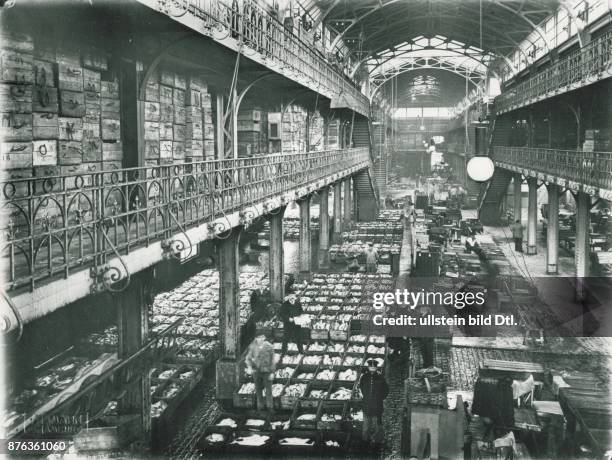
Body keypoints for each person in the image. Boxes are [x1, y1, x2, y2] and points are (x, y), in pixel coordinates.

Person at [359, 359, 389, 449]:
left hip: (377, 406)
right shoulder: (364, 377)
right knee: (366, 426)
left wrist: (380, 398)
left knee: (377, 425)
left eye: (374, 367)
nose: (372, 368)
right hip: (367, 405)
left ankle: (378, 442)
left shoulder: (380, 377)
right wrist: (365, 397)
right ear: (368, 367)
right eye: (370, 367)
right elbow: (361, 387)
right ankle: (365, 442)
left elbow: (386, 390)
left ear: (376, 367)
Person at [245, 332, 276, 412]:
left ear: (264, 338)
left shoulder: (269, 347)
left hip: (267, 372)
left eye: (261, 337)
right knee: (258, 391)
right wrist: (249, 367)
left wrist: (272, 372)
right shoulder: (252, 347)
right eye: (258, 338)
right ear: (256, 338)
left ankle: (270, 408)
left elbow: (272, 361)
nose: (259, 339)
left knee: (268, 391)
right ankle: (260, 408)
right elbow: (248, 358)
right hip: (256, 372)